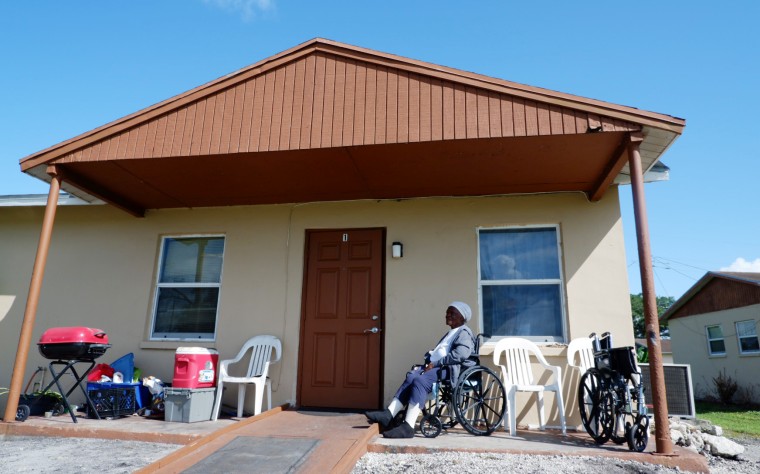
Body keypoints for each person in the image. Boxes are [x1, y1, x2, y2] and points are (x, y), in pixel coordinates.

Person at [365, 301, 476, 438]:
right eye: (447, 312)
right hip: (436, 367)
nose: (447, 315)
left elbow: (461, 355)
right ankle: (389, 414)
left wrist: (436, 363)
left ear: (462, 317)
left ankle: (408, 427)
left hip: (448, 369)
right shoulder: (451, 332)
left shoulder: (464, 332)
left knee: (420, 380)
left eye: (452, 313)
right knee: (412, 376)